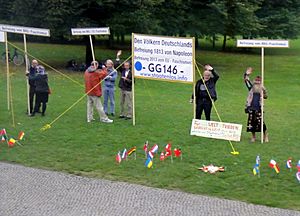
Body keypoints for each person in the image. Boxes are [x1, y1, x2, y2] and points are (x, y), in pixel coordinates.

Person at [244, 67, 268, 142]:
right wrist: (246, 74)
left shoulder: (262, 88)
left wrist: (264, 92)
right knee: (251, 122)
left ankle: (265, 135)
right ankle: (253, 136)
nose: (257, 82)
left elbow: (266, 97)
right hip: (251, 106)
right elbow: (246, 80)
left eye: (259, 81)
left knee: (261, 122)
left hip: (259, 107)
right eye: (256, 80)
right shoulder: (251, 87)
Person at [103, 51, 121, 116]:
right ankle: (105, 111)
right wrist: (106, 77)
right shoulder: (104, 70)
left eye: (109, 64)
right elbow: (103, 77)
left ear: (111, 64)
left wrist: (109, 77)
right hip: (105, 86)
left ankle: (112, 111)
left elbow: (114, 79)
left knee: (112, 100)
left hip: (111, 87)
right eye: (107, 64)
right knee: (105, 100)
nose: (108, 65)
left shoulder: (114, 71)